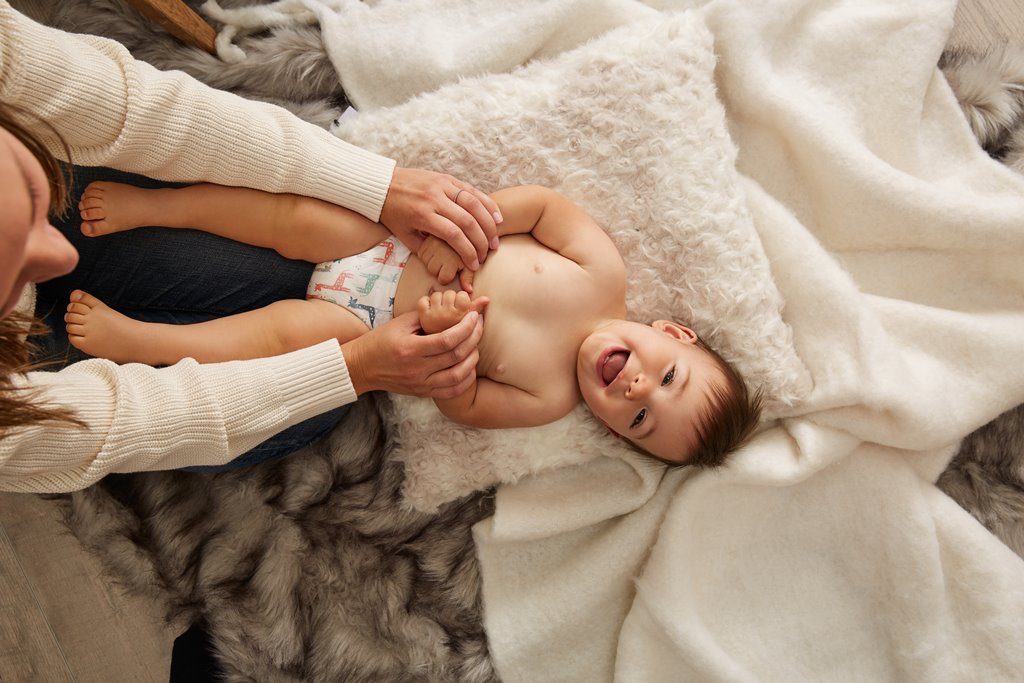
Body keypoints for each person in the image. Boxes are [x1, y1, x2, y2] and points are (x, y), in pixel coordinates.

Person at [0, 0, 500, 491]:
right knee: (305, 390)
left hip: (368, 306)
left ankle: (146, 321)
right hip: (378, 266)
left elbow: (142, 110)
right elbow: (116, 425)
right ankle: (145, 331)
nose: (58, 251)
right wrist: (359, 367)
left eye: (31, 203)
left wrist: (379, 187)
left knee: (286, 301)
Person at [67, 180, 763, 465]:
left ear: (615, 431)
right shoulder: (603, 275)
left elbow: (463, 402)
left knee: (285, 340)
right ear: (674, 334)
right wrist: (467, 234)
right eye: (668, 378)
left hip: (367, 321)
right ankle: (156, 207)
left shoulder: (549, 398)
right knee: (291, 218)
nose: (638, 389)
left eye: (640, 419)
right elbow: (544, 207)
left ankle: (145, 340)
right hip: (391, 245)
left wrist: (447, 342)